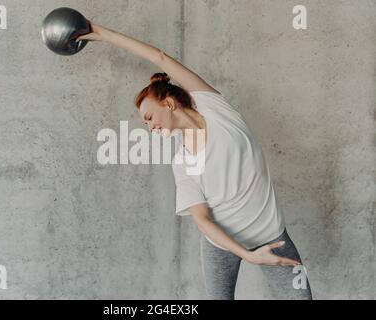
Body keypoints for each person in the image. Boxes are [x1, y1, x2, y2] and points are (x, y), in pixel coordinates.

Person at [76, 21, 313, 300]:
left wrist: (101, 33)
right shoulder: (183, 161)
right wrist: (247, 255)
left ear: (169, 103)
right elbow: (202, 219)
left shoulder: (216, 109)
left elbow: (160, 58)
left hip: (271, 235)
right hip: (221, 245)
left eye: (149, 118)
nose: (149, 128)